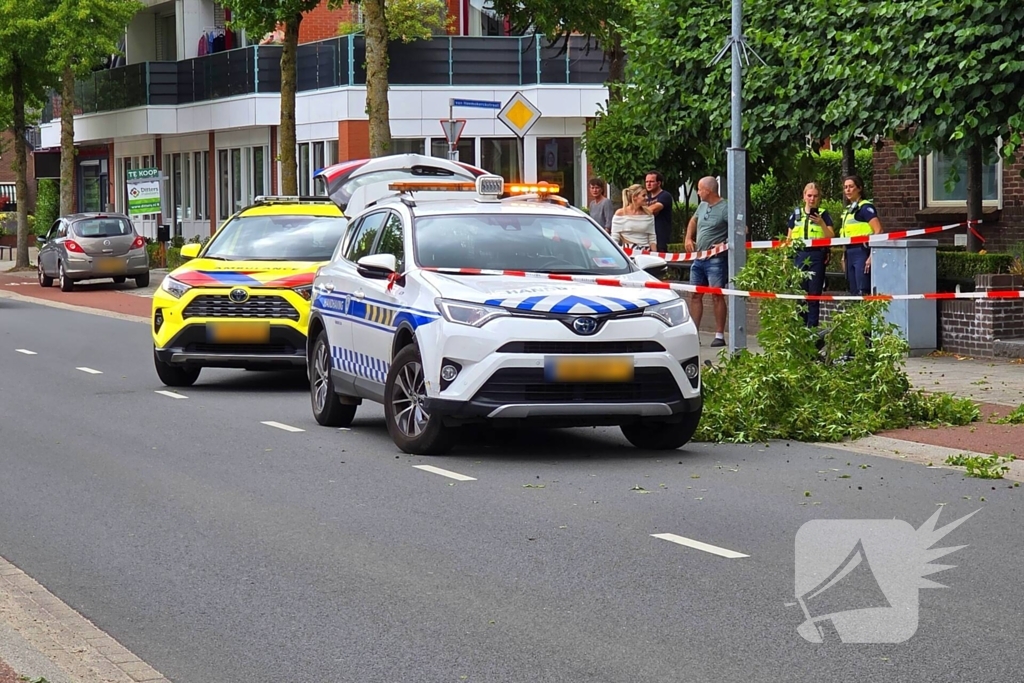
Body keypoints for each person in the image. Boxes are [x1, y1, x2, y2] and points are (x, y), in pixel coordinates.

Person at [685, 176, 729, 347]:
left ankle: (719, 334)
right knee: (695, 295)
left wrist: (724, 243)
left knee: (716, 295)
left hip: (715, 259)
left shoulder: (725, 208)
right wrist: (688, 237)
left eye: (699, 189)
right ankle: (694, 333)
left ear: (708, 190)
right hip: (698, 258)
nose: (697, 192)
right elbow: (693, 220)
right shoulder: (702, 206)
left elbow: (742, 229)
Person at [787, 182, 834, 327]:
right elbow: (788, 239)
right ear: (804, 196)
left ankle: (812, 331)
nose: (812, 199)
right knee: (800, 295)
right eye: (809, 195)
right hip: (799, 256)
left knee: (813, 295)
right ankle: (801, 329)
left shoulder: (823, 214)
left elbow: (831, 237)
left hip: (816, 257)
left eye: (815, 196)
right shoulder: (795, 215)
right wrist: (785, 259)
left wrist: (821, 224)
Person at [838, 174, 883, 295]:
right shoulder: (849, 210)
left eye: (851, 187)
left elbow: (878, 230)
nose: (847, 190)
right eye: (845, 187)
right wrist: (844, 255)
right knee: (853, 291)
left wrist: (872, 256)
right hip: (850, 252)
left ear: (859, 188)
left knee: (863, 290)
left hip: (862, 251)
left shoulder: (865, 207)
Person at [612, 184, 657, 251]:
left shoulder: (648, 214)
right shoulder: (620, 213)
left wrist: (655, 255)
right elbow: (615, 238)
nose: (647, 198)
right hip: (627, 252)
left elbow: (652, 237)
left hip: (646, 252)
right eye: (643, 195)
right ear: (634, 197)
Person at [644, 171, 674, 252]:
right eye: (647, 181)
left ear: (659, 183)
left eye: (651, 181)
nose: (648, 184)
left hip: (660, 237)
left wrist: (639, 211)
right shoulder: (646, 197)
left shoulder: (665, 196)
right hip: (647, 238)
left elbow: (652, 209)